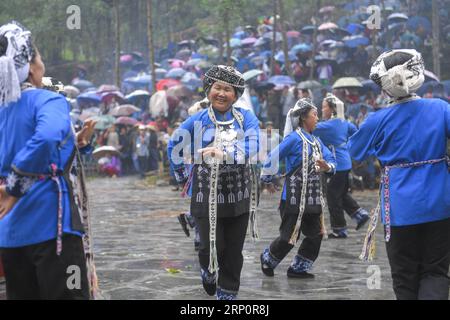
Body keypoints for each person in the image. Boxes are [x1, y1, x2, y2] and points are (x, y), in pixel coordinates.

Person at [0, 21, 99, 299]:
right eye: (40, 57)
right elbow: (45, 139)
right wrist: (15, 187)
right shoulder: (48, 101)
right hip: (51, 227)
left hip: (9, 231)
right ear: (31, 66)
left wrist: (76, 141)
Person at [348, 49, 450, 300]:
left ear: (385, 86)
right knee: (435, 271)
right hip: (441, 204)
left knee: (404, 277)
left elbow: (355, 151)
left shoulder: (377, 120)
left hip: (400, 210)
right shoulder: (440, 108)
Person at [168, 65, 260, 300]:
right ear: (208, 90)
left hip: (238, 195)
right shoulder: (197, 119)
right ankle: (208, 270)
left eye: (227, 89)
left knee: (233, 249)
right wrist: (182, 175)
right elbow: (174, 144)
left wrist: (226, 154)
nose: (221, 93)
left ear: (236, 95)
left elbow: (254, 142)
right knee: (211, 246)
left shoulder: (245, 117)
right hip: (205, 194)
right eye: (217, 88)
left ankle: (228, 292)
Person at [260, 98, 336, 279]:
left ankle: (298, 268)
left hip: (313, 199)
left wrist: (327, 167)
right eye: (314, 115)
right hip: (293, 199)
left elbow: (332, 161)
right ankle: (268, 258)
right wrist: (268, 178)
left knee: (315, 235)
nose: (317, 118)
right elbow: (273, 156)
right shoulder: (293, 138)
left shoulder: (317, 142)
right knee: (289, 237)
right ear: (303, 118)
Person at [313, 94, 369, 238]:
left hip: (335, 164)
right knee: (341, 193)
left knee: (333, 196)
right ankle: (360, 214)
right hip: (345, 162)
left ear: (332, 109)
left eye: (324, 106)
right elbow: (357, 133)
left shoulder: (327, 125)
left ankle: (339, 229)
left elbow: (310, 127)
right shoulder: (344, 122)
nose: (321, 109)